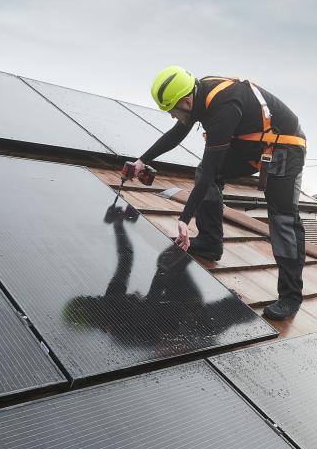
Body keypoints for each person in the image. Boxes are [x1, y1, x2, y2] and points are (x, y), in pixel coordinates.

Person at [130, 66, 307, 320]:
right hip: (253, 143)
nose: (172, 116)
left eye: (172, 111)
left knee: (283, 218)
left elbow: (213, 169)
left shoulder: (224, 107)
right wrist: (142, 160)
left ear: (187, 101)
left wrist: (184, 219)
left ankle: (291, 296)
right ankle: (211, 242)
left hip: (284, 147)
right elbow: (176, 133)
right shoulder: (198, 94)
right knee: (204, 172)